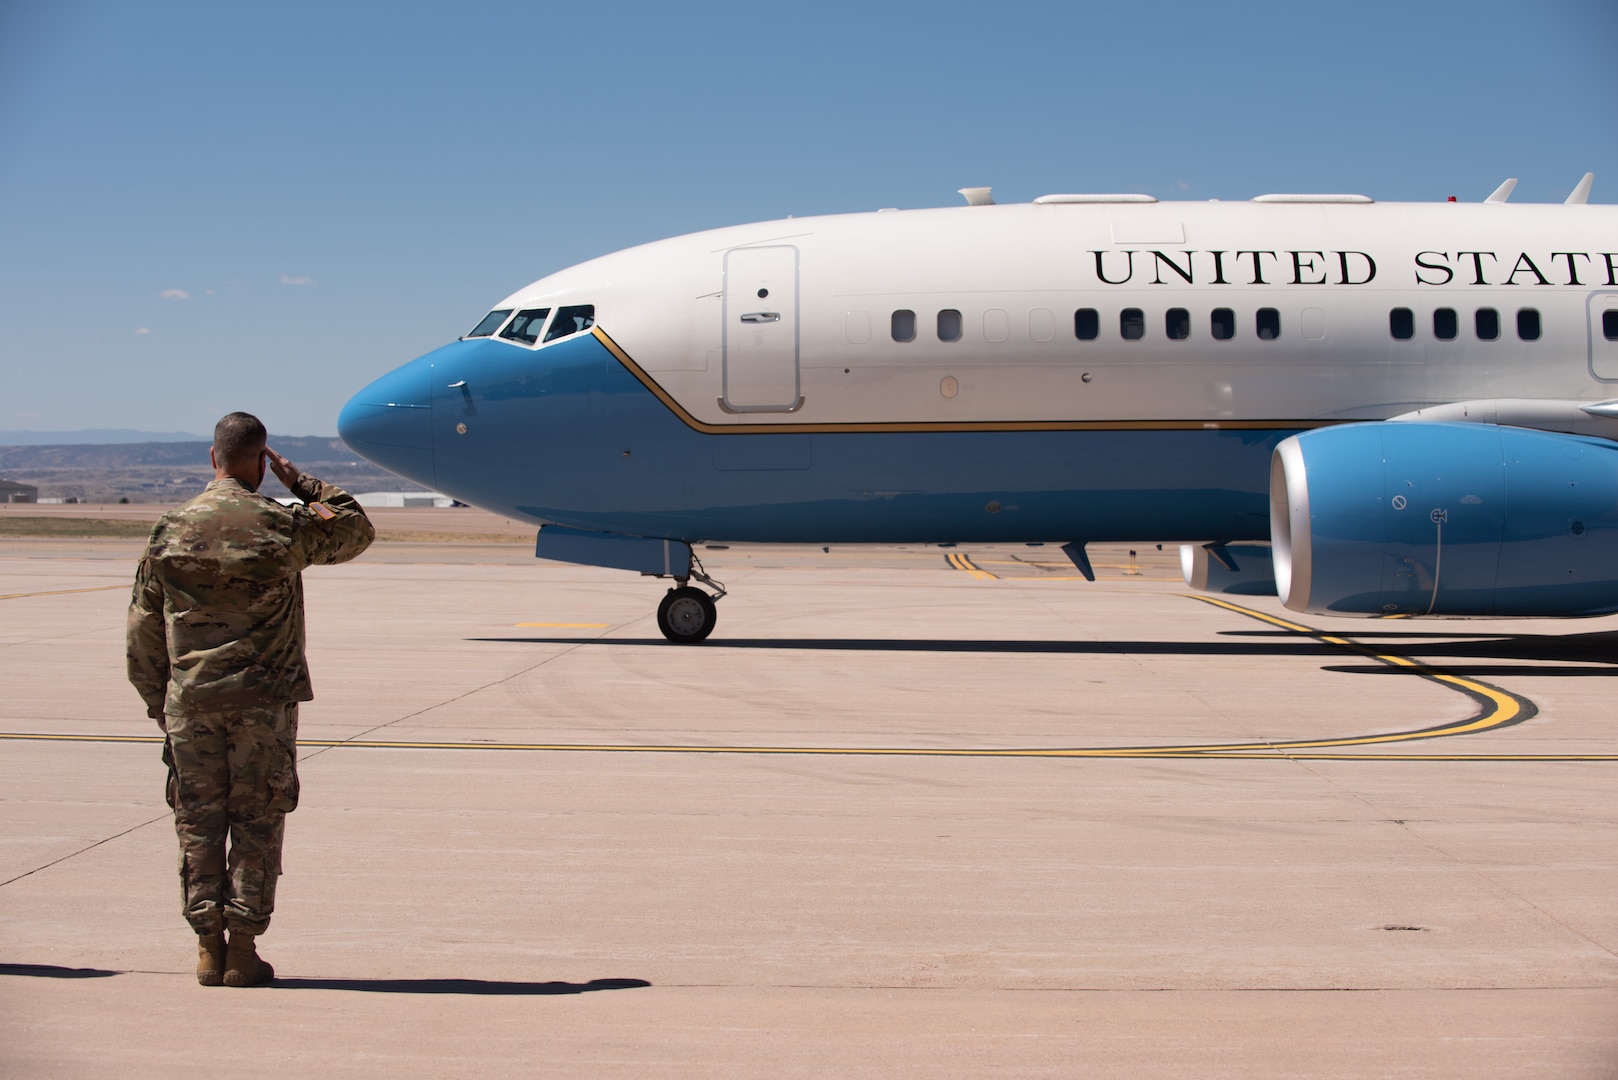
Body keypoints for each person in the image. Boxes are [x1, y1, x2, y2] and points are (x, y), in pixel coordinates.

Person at [127, 412, 374, 987]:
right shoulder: (280, 524)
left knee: (199, 823)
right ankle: (243, 949)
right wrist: (302, 484)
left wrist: (158, 703)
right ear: (261, 464)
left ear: (213, 459)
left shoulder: (170, 528)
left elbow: (142, 630)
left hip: (192, 703)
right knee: (258, 821)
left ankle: (207, 947)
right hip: (263, 701)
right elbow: (354, 529)